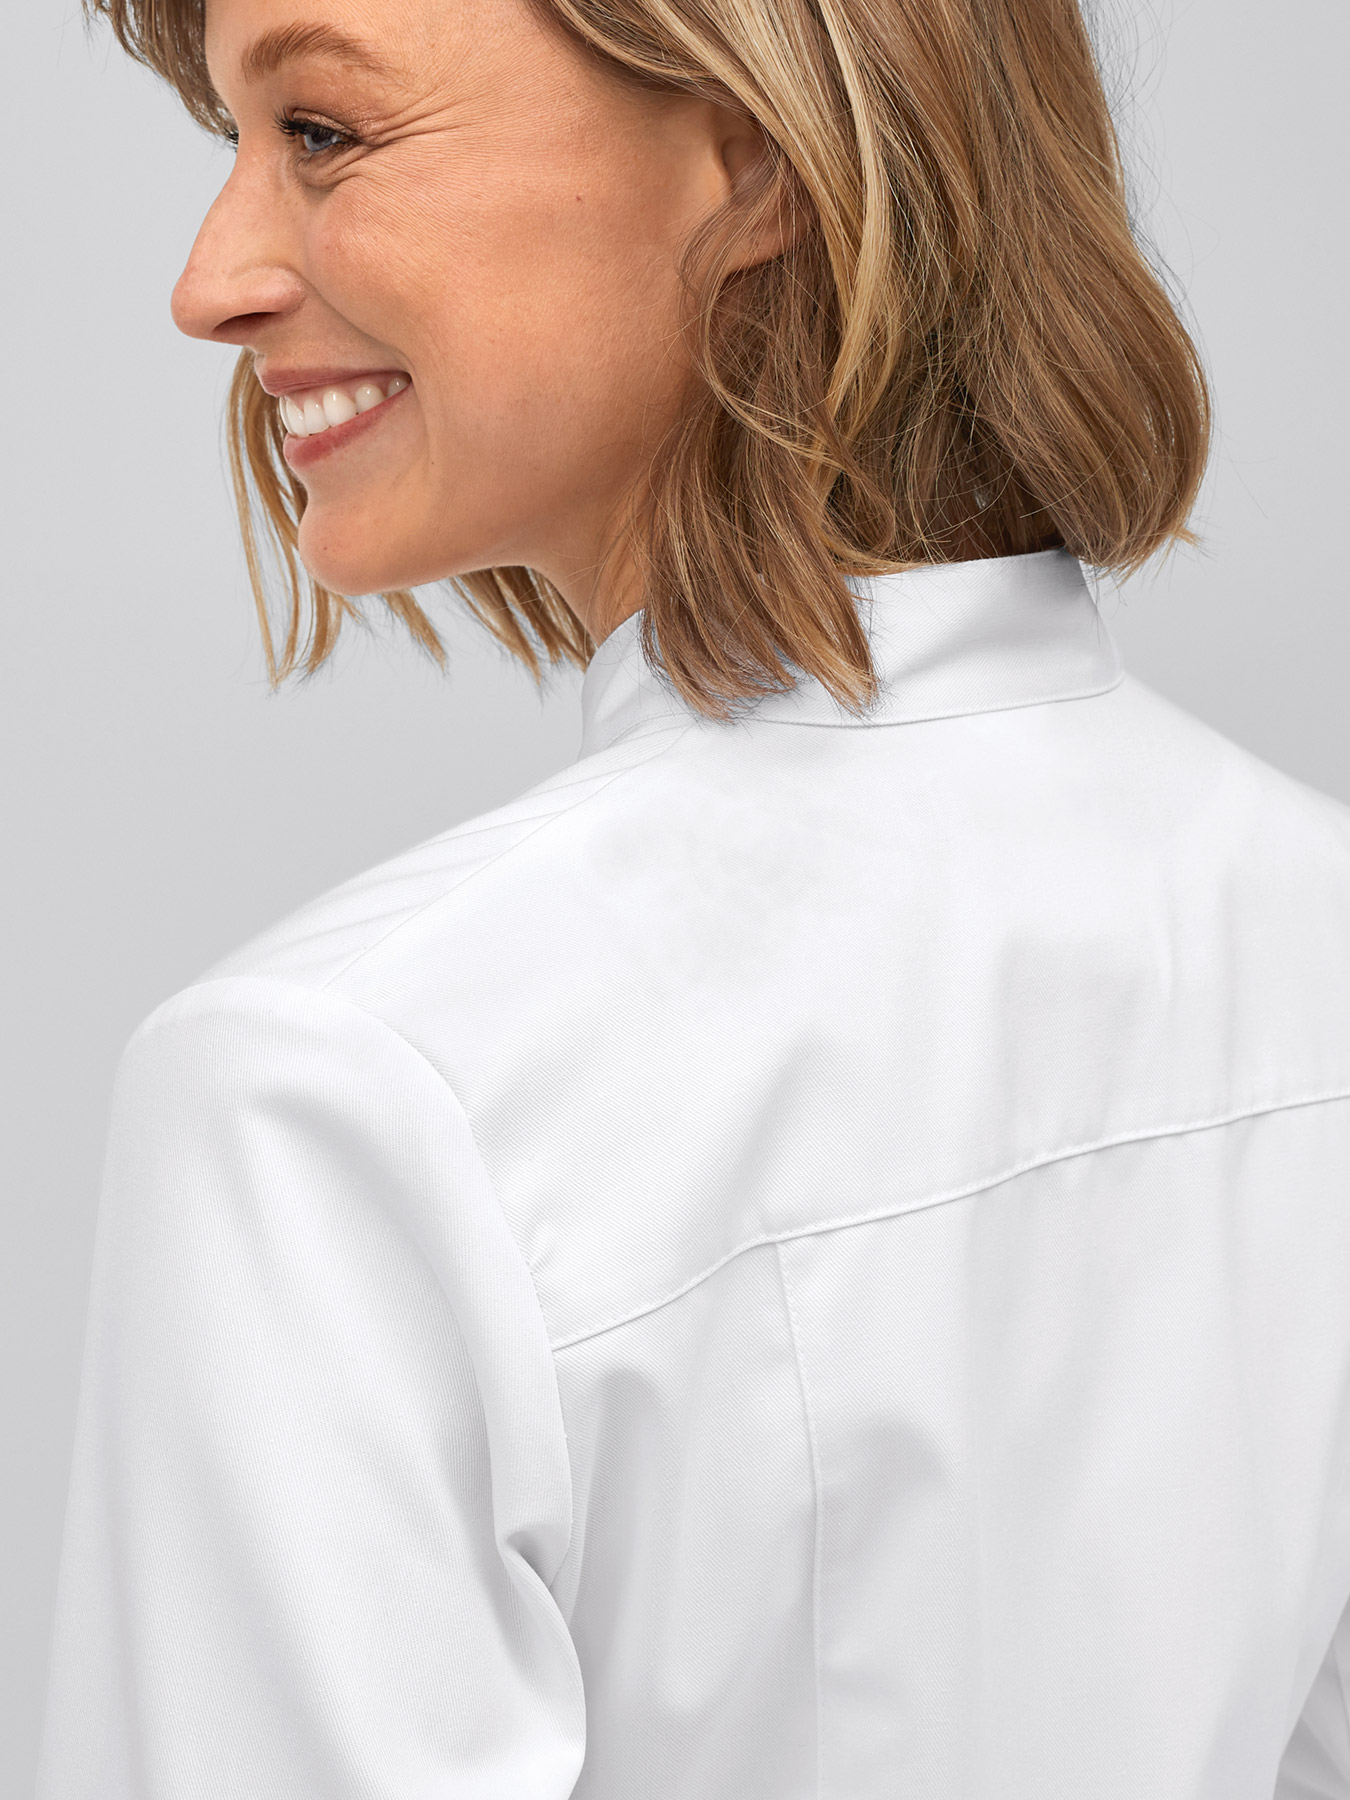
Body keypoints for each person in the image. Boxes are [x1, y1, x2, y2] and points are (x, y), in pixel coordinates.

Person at [35, 0, 1350, 1794]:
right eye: (233, 143)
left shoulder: (332, 1092)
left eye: (324, 135)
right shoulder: (1310, 926)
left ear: (754, 150)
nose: (212, 283)